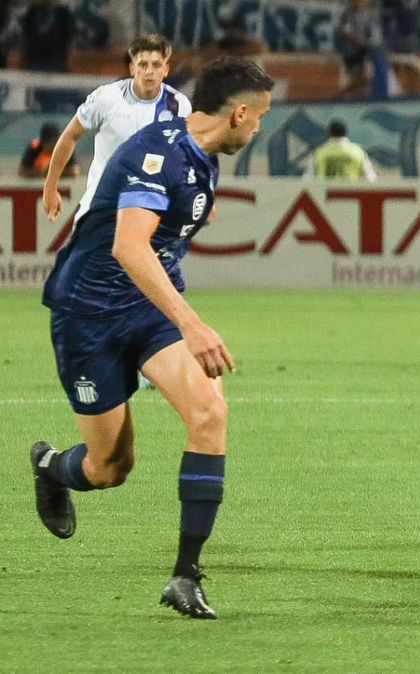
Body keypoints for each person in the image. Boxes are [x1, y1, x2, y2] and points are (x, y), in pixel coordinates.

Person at [32, 56, 275, 620]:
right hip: (87, 314)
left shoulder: (203, 156)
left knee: (210, 413)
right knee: (110, 467)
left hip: (147, 309)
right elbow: (128, 246)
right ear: (239, 114)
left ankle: (185, 576)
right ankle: (50, 467)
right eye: (260, 117)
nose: (260, 128)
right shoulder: (158, 153)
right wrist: (193, 324)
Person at [41, 34, 191, 224]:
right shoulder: (106, 98)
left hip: (149, 211)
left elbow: (186, 155)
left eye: (156, 65)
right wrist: (50, 187)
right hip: (101, 207)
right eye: (143, 64)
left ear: (166, 69)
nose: (149, 71)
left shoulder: (179, 106)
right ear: (132, 68)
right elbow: (70, 135)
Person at [306, 119, 378, 181]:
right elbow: (370, 178)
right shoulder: (358, 152)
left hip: (323, 192)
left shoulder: (319, 152)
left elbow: (308, 179)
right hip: (350, 191)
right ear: (346, 132)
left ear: (329, 133)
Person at [18, 0, 74, 72]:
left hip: (56, 63)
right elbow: (25, 37)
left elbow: (69, 39)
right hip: (33, 61)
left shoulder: (64, 13)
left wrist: (68, 62)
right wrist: (23, 60)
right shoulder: (32, 12)